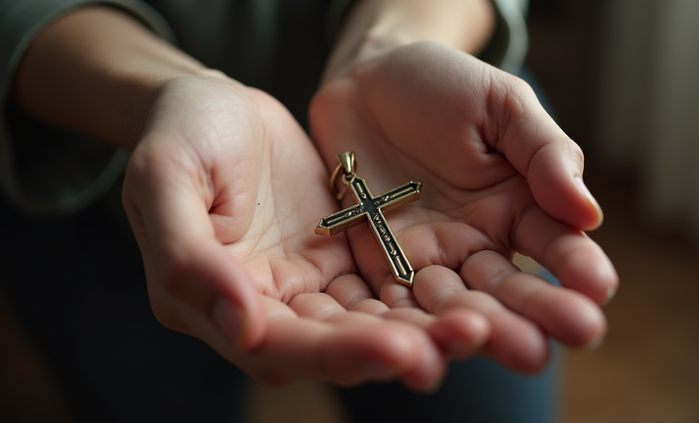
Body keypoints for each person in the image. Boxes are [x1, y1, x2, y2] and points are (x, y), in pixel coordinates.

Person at [0, 0, 618, 421]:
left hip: (442, 148)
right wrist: (163, 94)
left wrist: (391, 40)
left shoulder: (381, 195)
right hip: (90, 162)